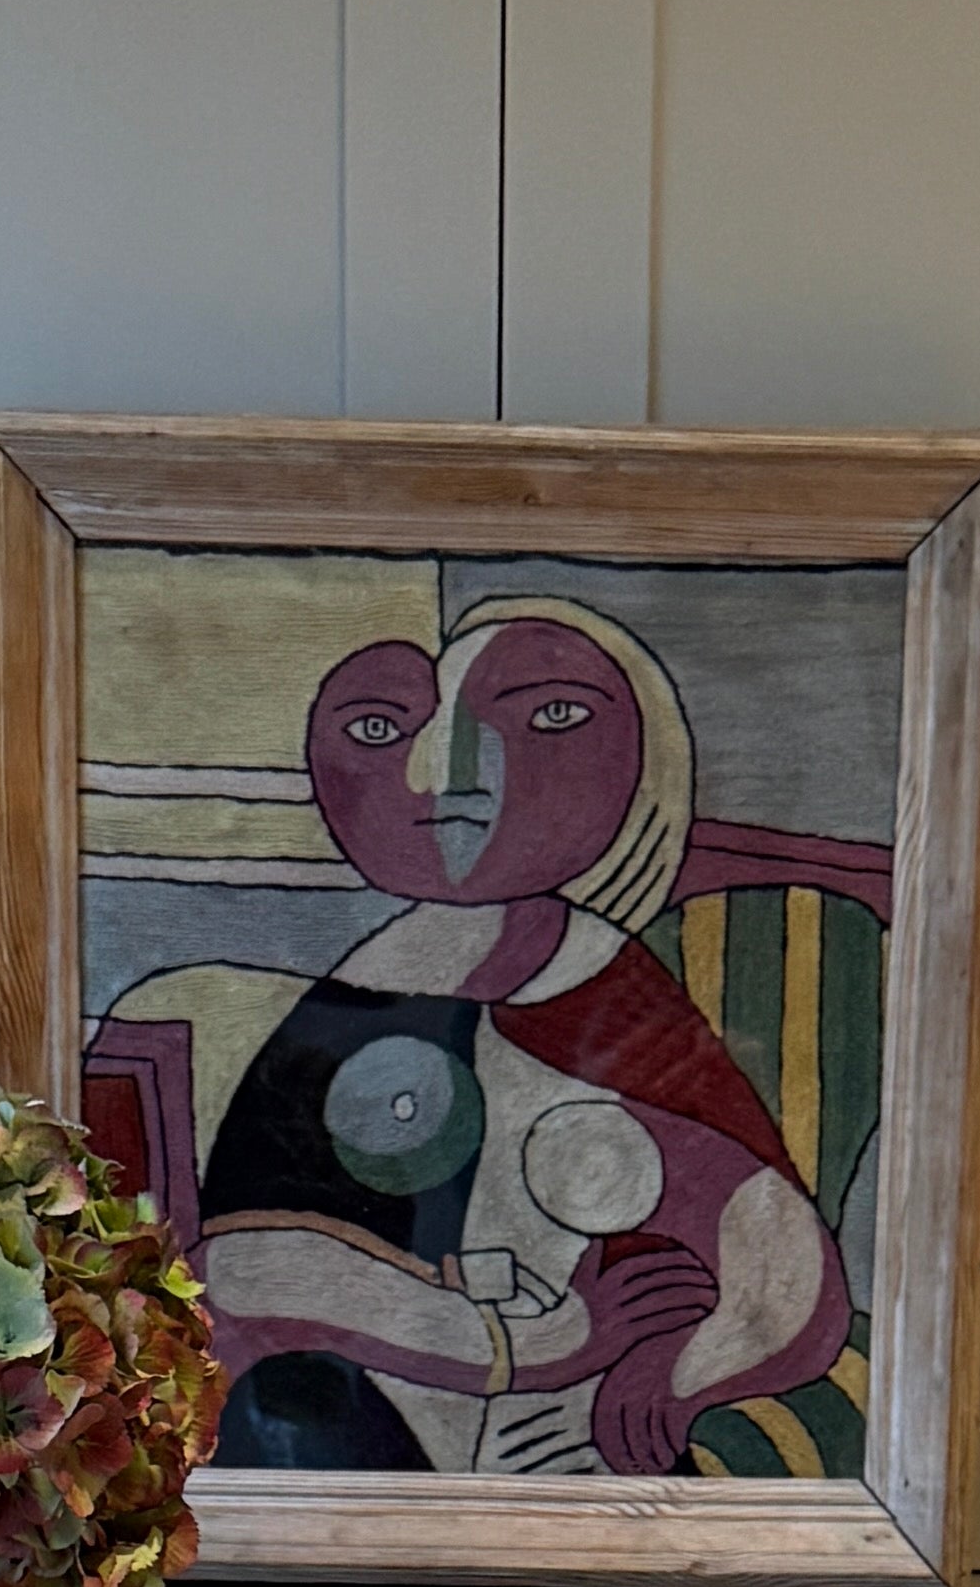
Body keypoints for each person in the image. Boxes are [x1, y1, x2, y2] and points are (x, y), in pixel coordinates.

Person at [92, 594, 852, 1476]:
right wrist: (531, 1342)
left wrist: (677, 1375)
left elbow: (776, 1258)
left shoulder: (603, 988)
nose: (449, 773)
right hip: (345, 1439)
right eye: (380, 727)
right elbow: (249, 1271)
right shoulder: (336, 1005)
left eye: (552, 718)